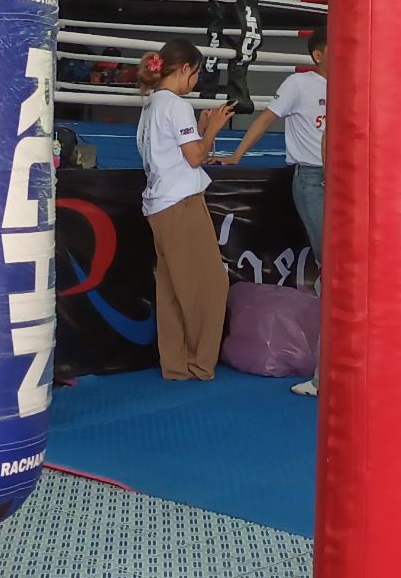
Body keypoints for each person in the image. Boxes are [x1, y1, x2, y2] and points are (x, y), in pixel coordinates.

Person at [220, 27, 330, 396]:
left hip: (347, 178)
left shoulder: (353, 84)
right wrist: (237, 155)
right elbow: (267, 118)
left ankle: (332, 369)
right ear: (318, 54)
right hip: (313, 178)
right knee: (333, 268)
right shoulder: (299, 84)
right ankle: (325, 372)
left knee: (344, 269)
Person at [136, 38, 233, 382]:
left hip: (159, 204)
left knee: (172, 288)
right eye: (197, 73)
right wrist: (214, 128)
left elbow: (176, 153)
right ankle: (199, 363)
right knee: (211, 285)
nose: (197, 81)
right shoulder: (176, 106)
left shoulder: (151, 106)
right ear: (187, 69)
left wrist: (202, 130)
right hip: (181, 203)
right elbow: (195, 157)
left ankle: (176, 364)